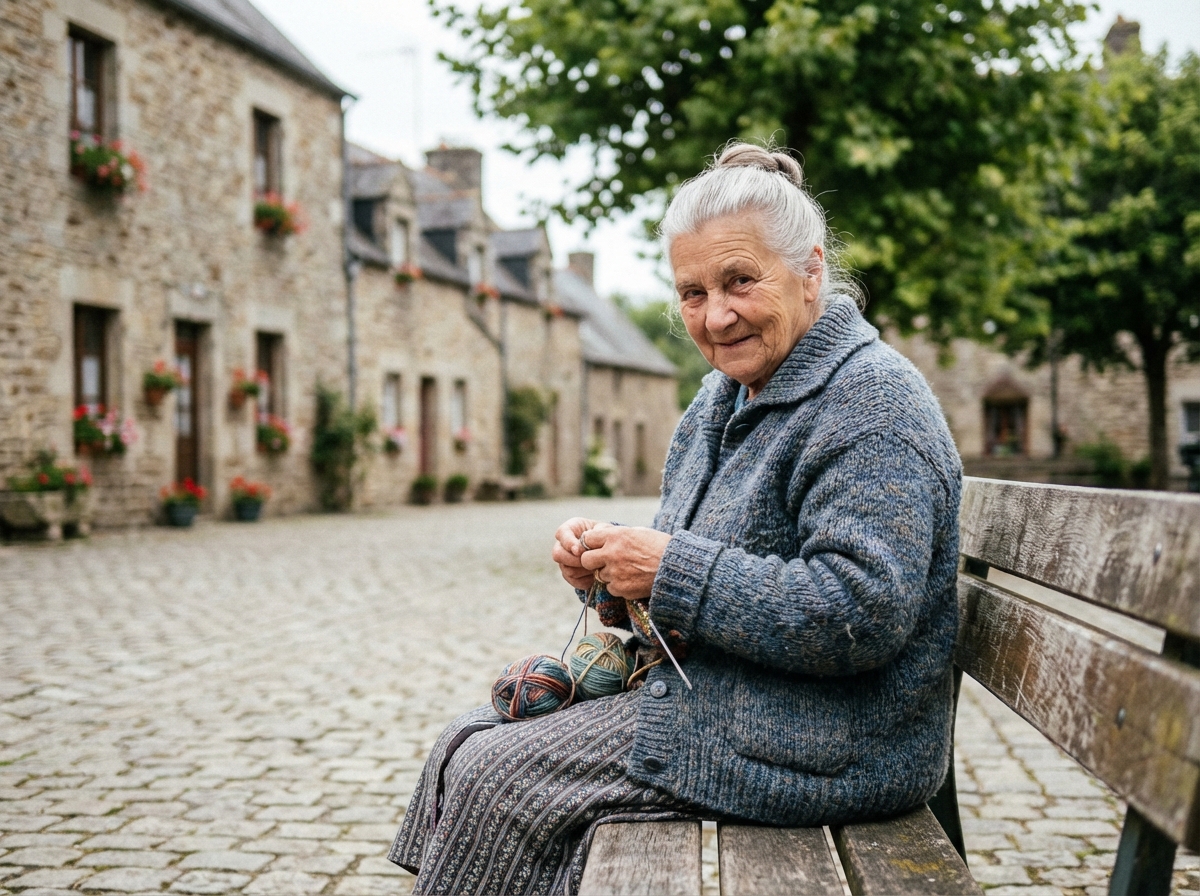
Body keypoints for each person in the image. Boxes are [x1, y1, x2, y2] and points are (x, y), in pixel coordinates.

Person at [388, 141, 962, 895]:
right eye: (692, 292)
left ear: (811, 270)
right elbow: (692, 588)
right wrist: (608, 577)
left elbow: (861, 611)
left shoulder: (873, 404)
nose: (716, 315)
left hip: (831, 736)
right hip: (744, 701)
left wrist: (668, 568)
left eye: (739, 281)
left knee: (501, 778)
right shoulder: (721, 400)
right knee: (463, 741)